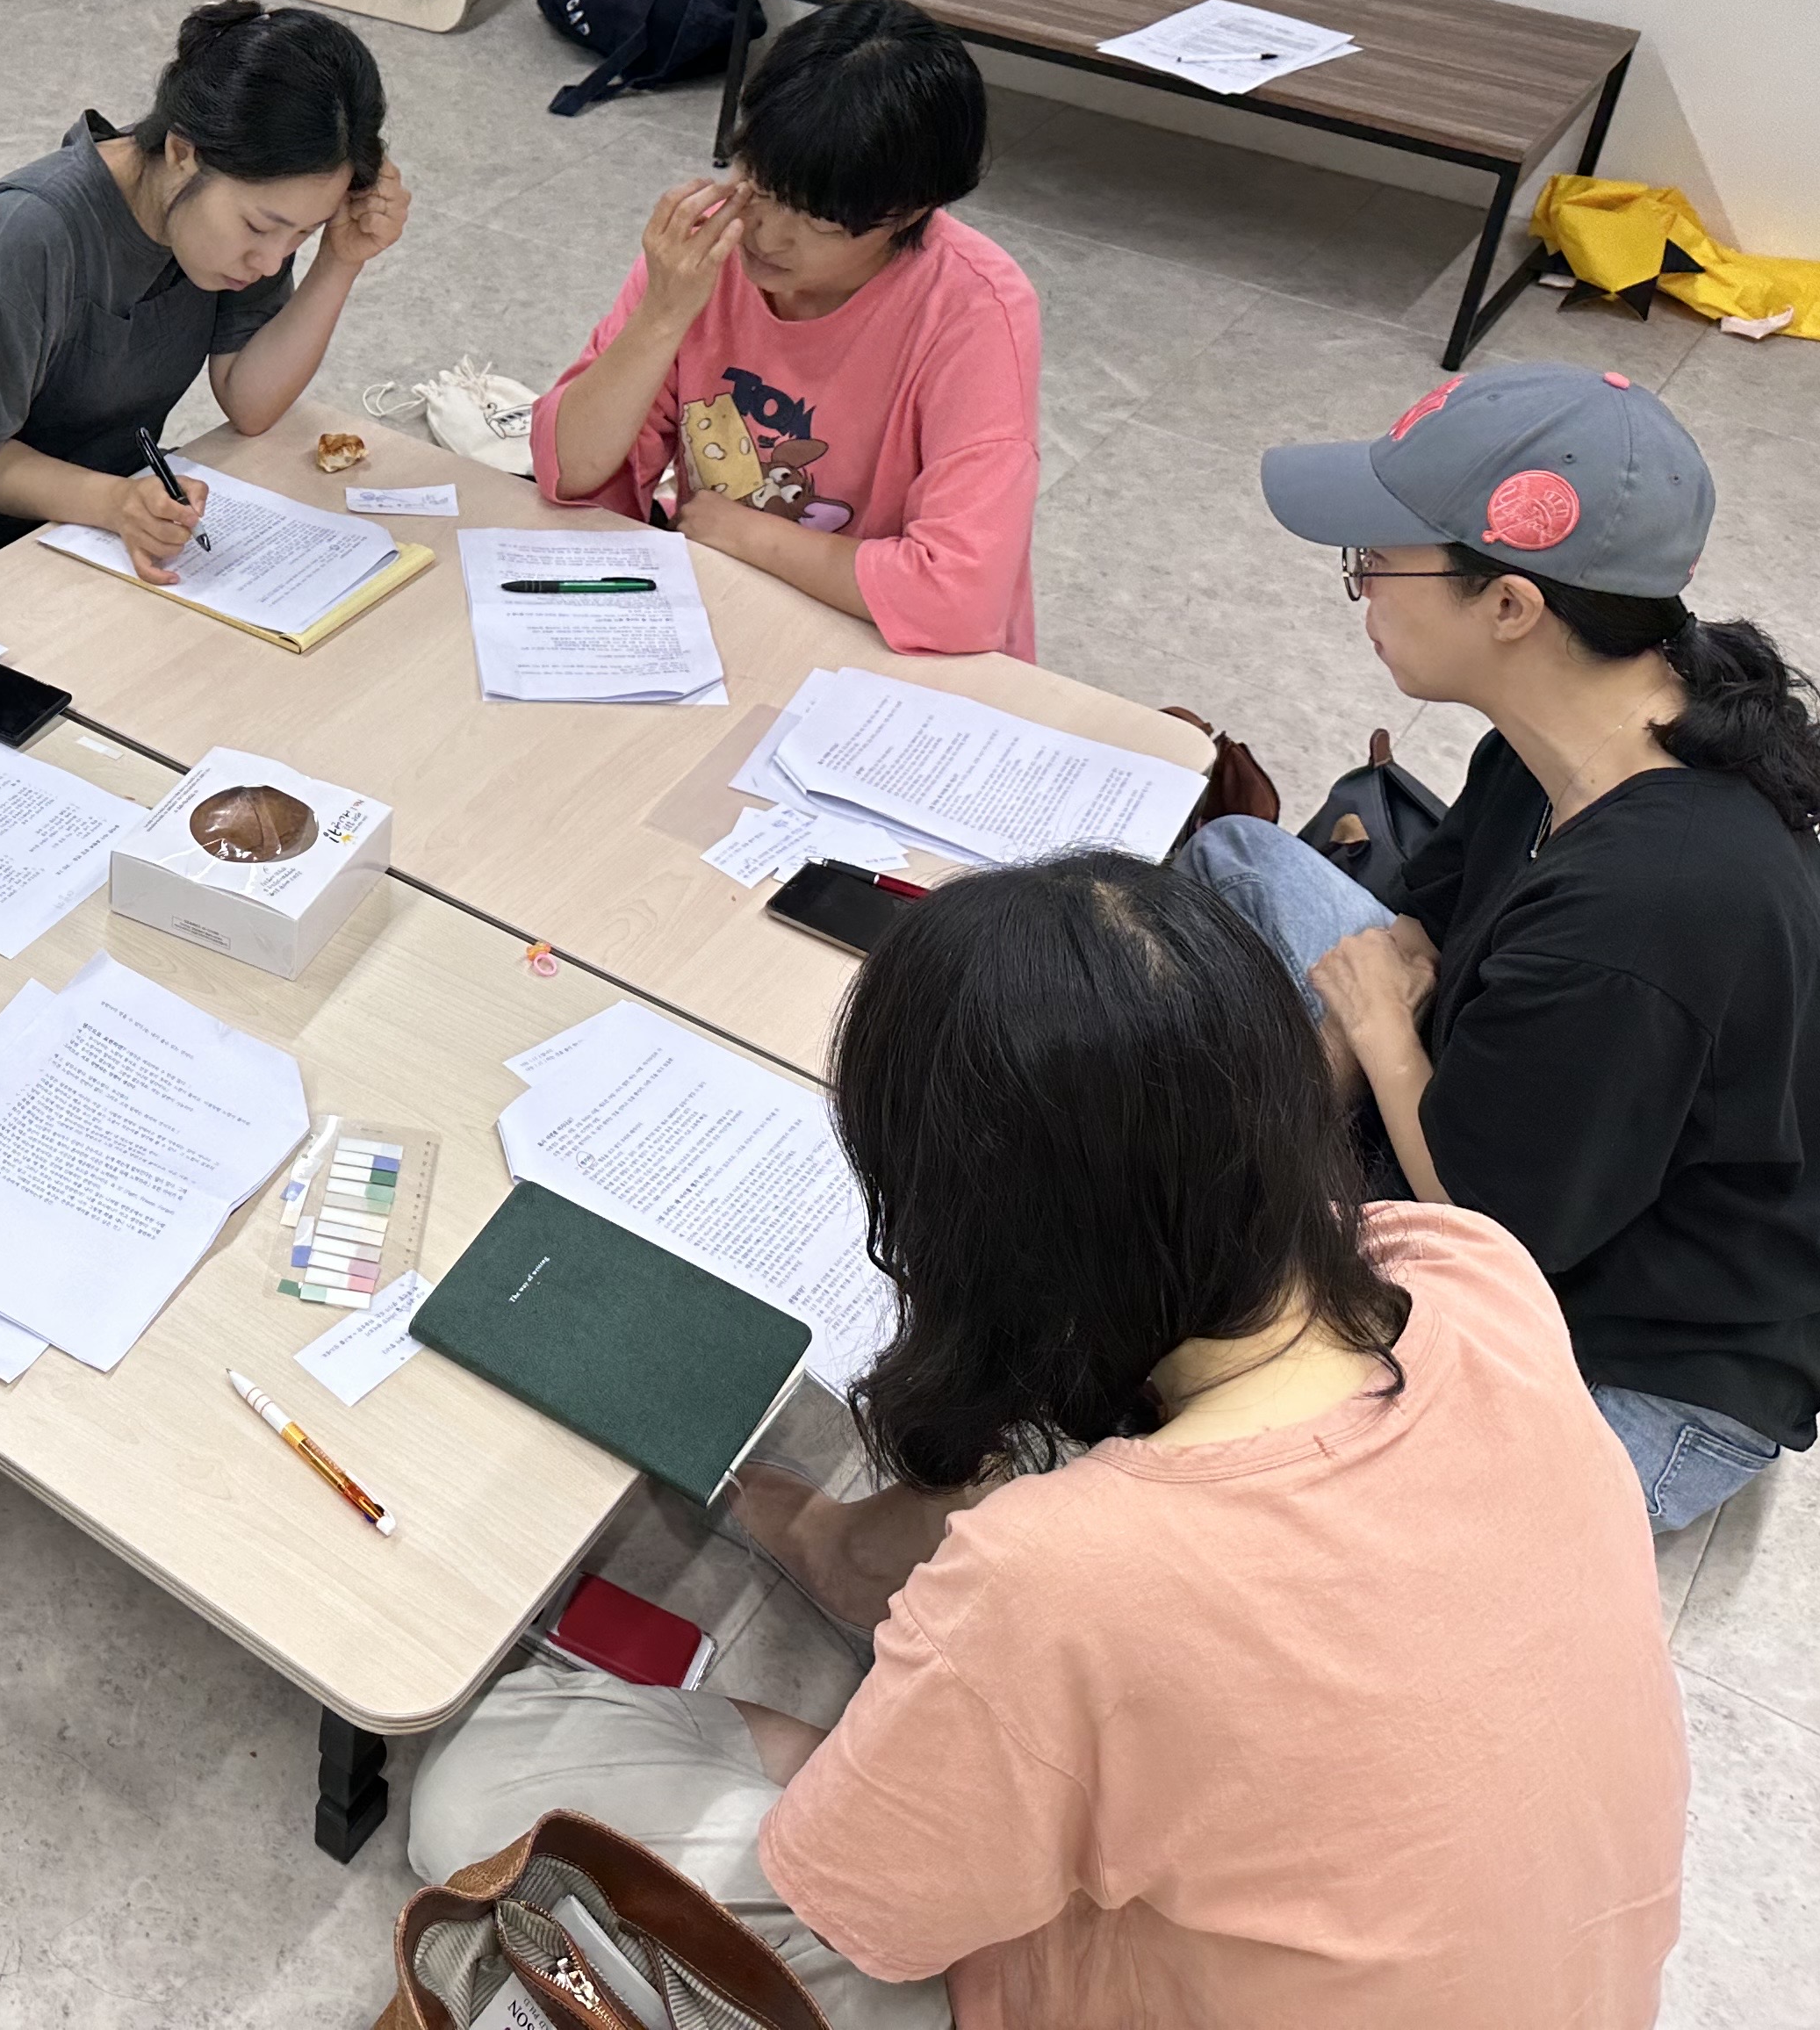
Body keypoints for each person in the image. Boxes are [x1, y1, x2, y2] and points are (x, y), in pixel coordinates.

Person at [409, 854, 1688, 2027]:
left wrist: (856, 1756)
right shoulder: (1471, 1270)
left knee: (486, 1781)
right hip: (1566, 1985)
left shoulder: (1062, 1578)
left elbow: (880, 1911)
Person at [1176, 358, 1820, 1531]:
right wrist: (1362, 1035)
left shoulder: (1643, 907)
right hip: (1523, 1118)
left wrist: (1376, 1039)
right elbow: (1416, 931)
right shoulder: (1573, 721)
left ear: (1511, 606)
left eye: (1374, 562)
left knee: (1250, 1485)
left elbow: (1485, 1218)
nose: (1362, 592)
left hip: (1637, 1361)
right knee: (1238, 863)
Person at [0, 0, 409, 644]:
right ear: (183, 151)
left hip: (89, 530)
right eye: (260, 226)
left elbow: (251, 402)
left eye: (302, 233)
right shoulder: (31, 231)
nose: (272, 261)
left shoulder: (235, 220)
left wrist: (340, 261)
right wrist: (115, 504)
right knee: (20, 694)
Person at [529, 0, 1041, 660]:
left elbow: (960, 601)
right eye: (759, 186)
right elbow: (569, 471)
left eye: (819, 222)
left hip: (886, 653)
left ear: (911, 212)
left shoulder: (974, 309)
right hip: (728, 612)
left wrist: (750, 534)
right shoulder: (705, 251)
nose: (766, 237)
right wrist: (662, 314)